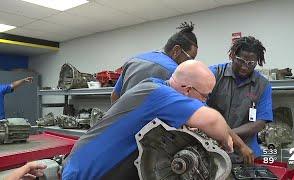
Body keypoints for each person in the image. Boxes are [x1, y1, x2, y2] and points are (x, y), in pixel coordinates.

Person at [62, 60, 253, 180]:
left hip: (82, 161)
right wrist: (226, 141)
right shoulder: (162, 95)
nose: (205, 101)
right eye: (204, 96)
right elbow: (213, 121)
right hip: (88, 172)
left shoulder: (153, 85)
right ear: (187, 89)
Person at [207, 36, 273, 158]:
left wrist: (228, 135)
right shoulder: (214, 74)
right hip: (212, 145)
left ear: (257, 62)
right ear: (232, 55)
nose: (244, 67)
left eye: (250, 63)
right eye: (241, 61)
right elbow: (198, 108)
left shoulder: (263, 85)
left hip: (245, 151)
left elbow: (259, 123)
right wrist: (223, 135)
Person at [111, 22, 198, 103]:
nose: (190, 64)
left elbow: (114, 96)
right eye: (190, 58)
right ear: (176, 50)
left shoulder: (133, 60)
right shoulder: (175, 72)